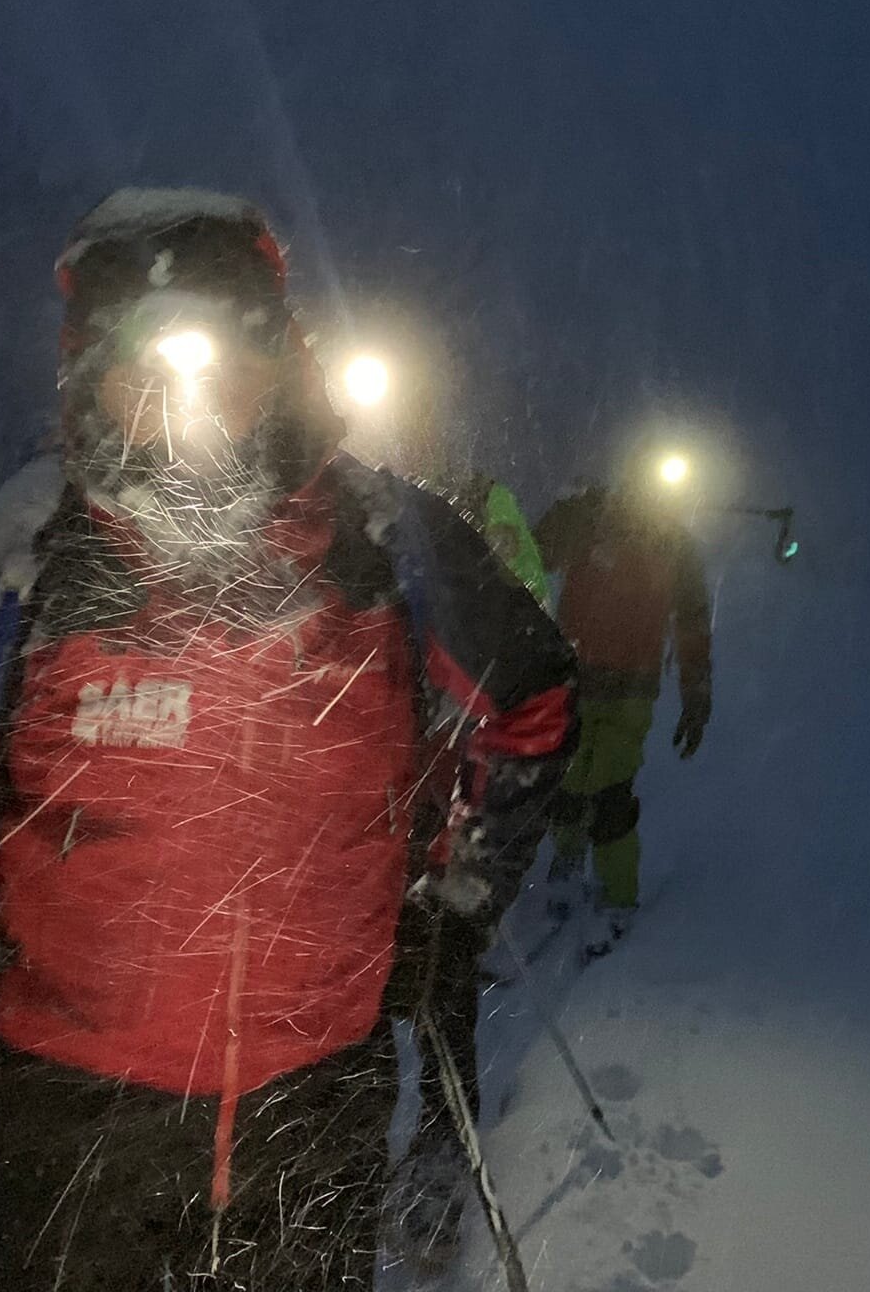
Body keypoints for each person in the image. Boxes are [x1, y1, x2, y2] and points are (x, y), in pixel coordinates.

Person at [0, 189, 577, 1292]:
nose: (184, 399)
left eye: (220, 358)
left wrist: (456, 889)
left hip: (311, 1120)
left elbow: (532, 697)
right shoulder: (23, 565)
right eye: (142, 366)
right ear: (89, 376)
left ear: (278, 359)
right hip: (61, 1136)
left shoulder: (383, 548)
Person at [382, 465, 555, 1270]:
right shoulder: (370, 511)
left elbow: (524, 639)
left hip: (439, 785)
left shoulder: (467, 517)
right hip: (356, 826)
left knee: (442, 999)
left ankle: (441, 1159)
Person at [533, 470, 712, 951]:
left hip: (630, 690)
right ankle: (568, 863)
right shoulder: (591, 520)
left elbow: (693, 625)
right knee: (569, 781)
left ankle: (618, 898)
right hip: (574, 678)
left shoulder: (673, 545)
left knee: (610, 793)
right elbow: (535, 552)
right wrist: (566, 514)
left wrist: (696, 697)